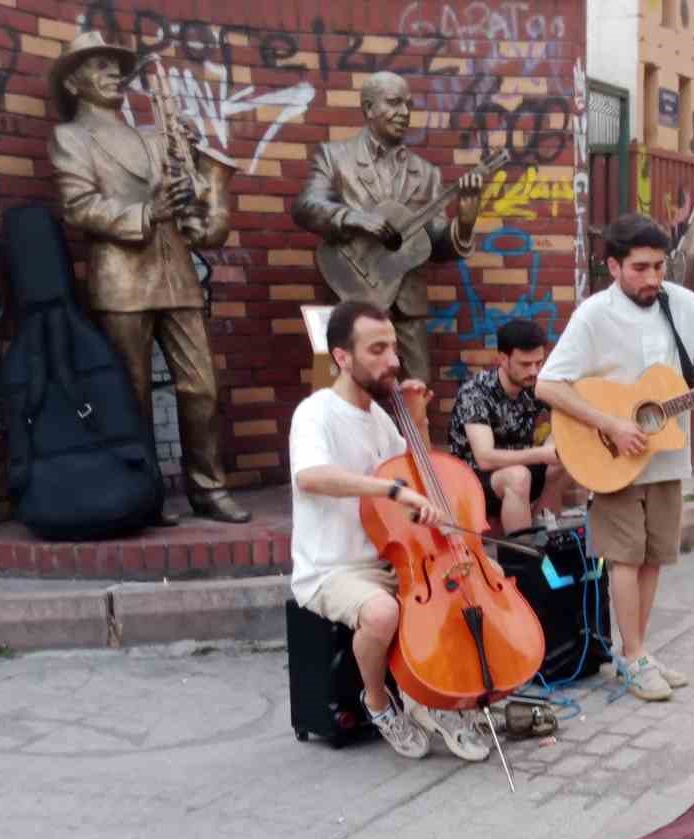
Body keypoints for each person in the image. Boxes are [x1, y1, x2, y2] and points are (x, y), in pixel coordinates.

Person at [534, 213, 694, 702]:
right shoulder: (594, 315)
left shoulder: (685, 305)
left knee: (653, 557)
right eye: (640, 268)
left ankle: (638, 652)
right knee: (625, 557)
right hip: (610, 453)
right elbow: (548, 383)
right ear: (613, 266)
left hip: (667, 449)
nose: (653, 278)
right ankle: (631, 660)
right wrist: (610, 424)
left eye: (659, 266)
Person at [47, 31, 249, 525]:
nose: (114, 73)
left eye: (116, 65)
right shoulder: (69, 137)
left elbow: (187, 207)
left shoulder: (151, 135)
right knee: (130, 393)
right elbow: (78, 207)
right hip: (121, 281)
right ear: (74, 83)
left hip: (176, 272)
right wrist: (146, 212)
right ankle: (144, 492)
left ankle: (208, 487)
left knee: (201, 386)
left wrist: (193, 181)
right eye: (99, 65)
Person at [288, 300, 493, 762]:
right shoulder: (315, 412)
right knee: (382, 613)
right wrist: (391, 490)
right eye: (377, 350)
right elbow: (311, 476)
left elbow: (419, 473)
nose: (393, 361)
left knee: (464, 588)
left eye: (394, 349)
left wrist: (417, 418)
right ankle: (379, 703)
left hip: (390, 558)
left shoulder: (379, 416)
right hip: (331, 568)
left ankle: (436, 696)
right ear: (342, 357)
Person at [294, 71, 483, 388]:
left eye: (409, 105)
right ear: (368, 108)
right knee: (340, 396)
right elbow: (305, 206)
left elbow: (432, 244)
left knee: (416, 393)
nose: (405, 113)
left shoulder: (426, 173)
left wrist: (463, 223)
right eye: (394, 103)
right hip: (350, 295)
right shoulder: (335, 157)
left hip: (407, 305)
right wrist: (354, 217)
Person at [448, 319, 572, 533]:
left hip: (522, 467)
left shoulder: (534, 384)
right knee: (518, 476)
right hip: (474, 480)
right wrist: (542, 453)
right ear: (503, 359)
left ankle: (543, 532)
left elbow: (570, 411)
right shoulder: (476, 392)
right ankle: (520, 559)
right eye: (525, 364)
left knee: (566, 450)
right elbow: (485, 458)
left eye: (539, 363)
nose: (534, 371)